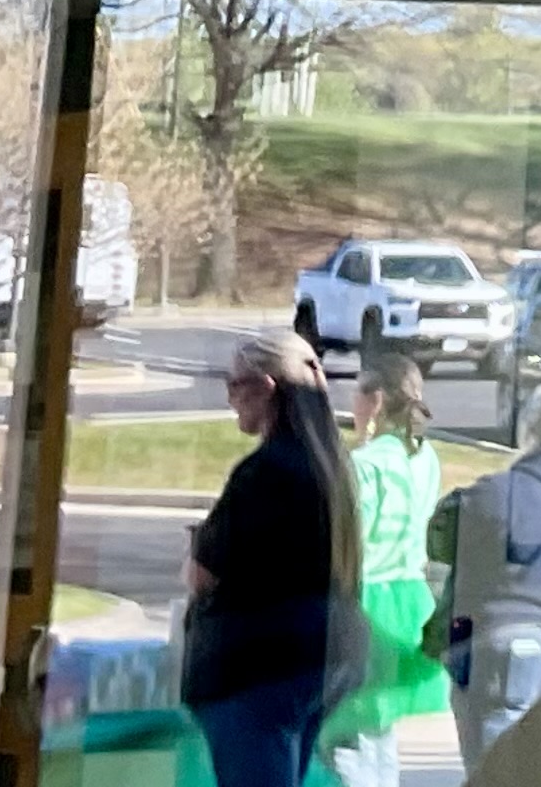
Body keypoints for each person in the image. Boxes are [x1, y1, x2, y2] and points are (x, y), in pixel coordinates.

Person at [183, 332, 358, 787]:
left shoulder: (263, 474)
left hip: (252, 670)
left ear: (266, 387)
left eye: (235, 384)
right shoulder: (333, 470)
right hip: (315, 663)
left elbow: (203, 574)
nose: (230, 398)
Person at [319, 351, 448, 785]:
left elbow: (346, 545)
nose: (351, 402)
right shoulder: (424, 457)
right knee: (378, 731)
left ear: (374, 401)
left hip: (363, 602)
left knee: (344, 737)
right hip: (408, 602)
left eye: (356, 391)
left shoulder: (365, 465)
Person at [431, 386, 541, 770]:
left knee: (492, 766)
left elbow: (439, 540)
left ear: (530, 432)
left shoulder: (493, 493)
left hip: (497, 648)